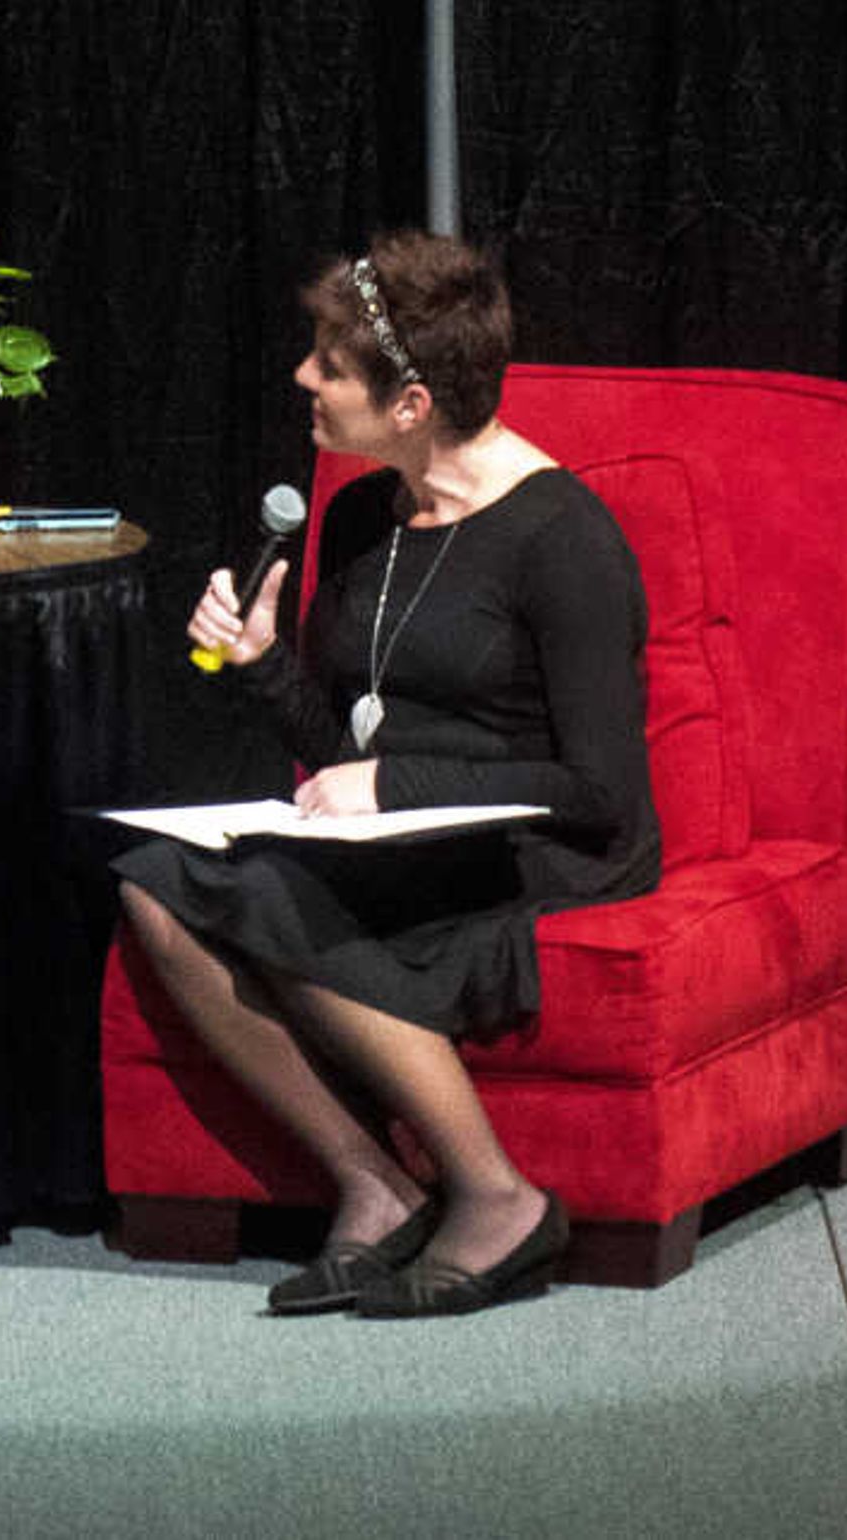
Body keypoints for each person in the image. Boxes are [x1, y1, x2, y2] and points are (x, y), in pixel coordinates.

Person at [110, 231, 656, 1318]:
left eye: (329, 364)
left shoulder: (563, 539)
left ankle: (498, 1198)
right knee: (154, 885)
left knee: (270, 894)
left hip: (539, 846)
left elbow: (602, 789)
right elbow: (342, 746)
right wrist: (266, 667)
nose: (303, 379)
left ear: (409, 404)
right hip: (404, 832)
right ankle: (373, 1185)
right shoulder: (368, 514)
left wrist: (397, 790)